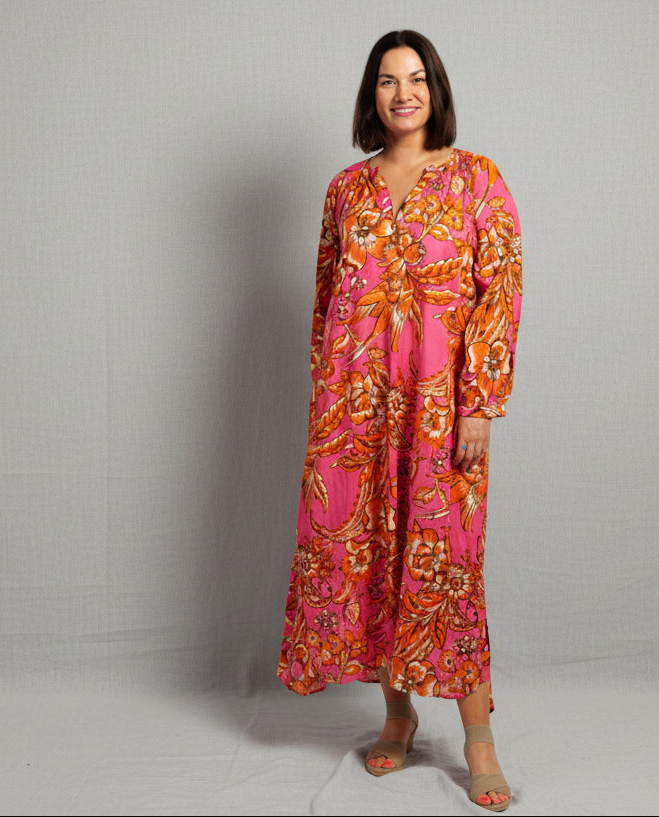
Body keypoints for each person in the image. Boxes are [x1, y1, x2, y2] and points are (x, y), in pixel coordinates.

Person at [277, 30, 522, 812]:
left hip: (441, 409)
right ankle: (397, 714)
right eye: (387, 80)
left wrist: (480, 400)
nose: (403, 93)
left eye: (416, 79)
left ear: (435, 90)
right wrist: (328, 402)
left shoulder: (477, 179)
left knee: (447, 565)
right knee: (373, 562)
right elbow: (326, 302)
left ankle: (477, 740)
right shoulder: (344, 190)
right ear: (371, 95)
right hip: (354, 412)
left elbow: (499, 292)